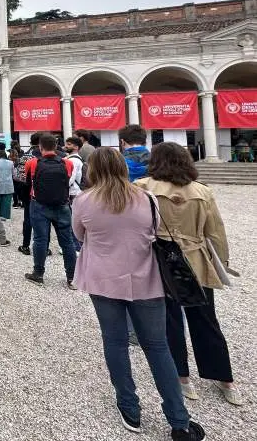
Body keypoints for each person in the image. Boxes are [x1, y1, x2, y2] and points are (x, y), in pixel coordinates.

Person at [72, 147, 207, 441]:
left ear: (92, 170)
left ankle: (129, 407)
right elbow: (154, 230)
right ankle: (179, 420)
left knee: (115, 342)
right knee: (158, 347)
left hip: (104, 279)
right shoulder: (145, 198)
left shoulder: (84, 201)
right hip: (144, 278)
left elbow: (79, 236)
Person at [136, 142, 242, 407]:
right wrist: (222, 261)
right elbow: (215, 232)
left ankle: (182, 377)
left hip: (160, 258)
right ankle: (224, 378)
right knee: (205, 319)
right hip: (195, 258)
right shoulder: (202, 192)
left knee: (169, 319)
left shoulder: (143, 188)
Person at [23, 134, 78, 287]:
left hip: (39, 204)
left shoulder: (32, 163)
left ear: (40, 147)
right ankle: (72, 277)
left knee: (40, 240)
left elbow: (28, 182)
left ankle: (38, 273)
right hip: (62, 205)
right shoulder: (67, 163)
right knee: (67, 242)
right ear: (56, 146)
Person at [15, 133, 42, 255]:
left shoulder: (25, 157)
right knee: (44, 220)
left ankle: (26, 245)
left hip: (28, 192)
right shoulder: (53, 156)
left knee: (28, 219)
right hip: (46, 193)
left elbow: (20, 177)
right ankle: (44, 247)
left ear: (31, 142)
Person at [0, 149, 14, 220]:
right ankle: (5, 215)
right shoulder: (11, 163)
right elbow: (13, 174)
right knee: (7, 201)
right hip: (8, 183)